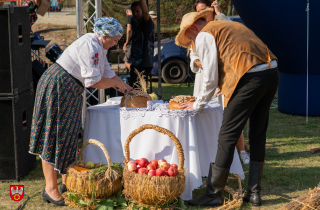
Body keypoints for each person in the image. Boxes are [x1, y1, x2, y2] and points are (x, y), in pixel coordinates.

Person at [176, 9, 279, 207]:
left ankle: (213, 194)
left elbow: (210, 77)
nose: (192, 43)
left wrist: (197, 103)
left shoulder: (205, 35)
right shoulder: (227, 25)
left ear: (192, 28)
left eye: (189, 38)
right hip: (271, 72)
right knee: (257, 134)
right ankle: (254, 193)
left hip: (250, 78)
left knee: (227, 136)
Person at [28, 17, 132, 206]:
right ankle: (50, 189)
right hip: (58, 85)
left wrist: (123, 85)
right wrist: (116, 83)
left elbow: (107, 72)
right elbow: (94, 81)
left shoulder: (101, 47)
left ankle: (67, 184)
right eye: (115, 39)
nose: (117, 42)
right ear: (103, 35)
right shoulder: (89, 46)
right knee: (54, 134)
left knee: (68, 135)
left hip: (71, 88)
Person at [191, 0, 250, 164]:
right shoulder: (196, 31)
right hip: (205, 78)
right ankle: (209, 152)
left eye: (205, 9)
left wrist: (219, 12)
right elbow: (193, 56)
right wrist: (202, 63)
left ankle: (242, 151)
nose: (202, 13)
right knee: (205, 117)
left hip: (225, 79)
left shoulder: (222, 25)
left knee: (230, 115)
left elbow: (233, 28)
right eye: (199, 11)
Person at [125, 0, 155, 88]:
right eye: (133, 12)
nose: (135, 14)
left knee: (138, 91)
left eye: (137, 11)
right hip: (136, 64)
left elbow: (146, 12)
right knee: (135, 90)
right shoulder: (137, 25)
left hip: (143, 63)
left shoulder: (147, 23)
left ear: (142, 10)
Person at [123, 5, 134, 70]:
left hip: (132, 43)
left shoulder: (129, 17)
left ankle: (137, 75)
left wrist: (127, 42)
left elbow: (129, 29)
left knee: (127, 62)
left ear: (127, 11)